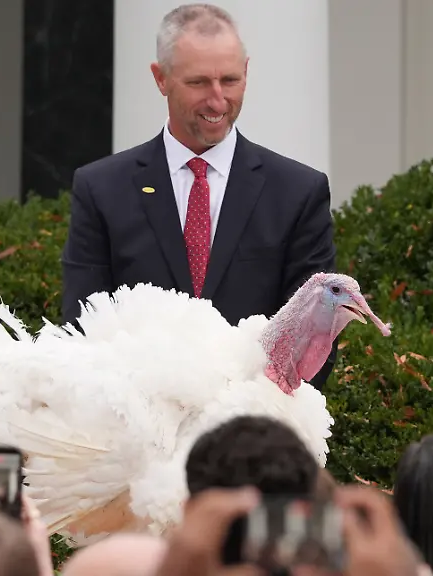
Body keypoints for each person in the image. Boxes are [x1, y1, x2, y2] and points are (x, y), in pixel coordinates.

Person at [61, 3, 337, 388]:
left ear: (246, 72)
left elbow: (312, 344)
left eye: (229, 80)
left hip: (255, 433)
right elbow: (81, 327)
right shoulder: (102, 189)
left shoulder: (297, 192)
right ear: (161, 79)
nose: (217, 100)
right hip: (137, 428)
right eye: (198, 83)